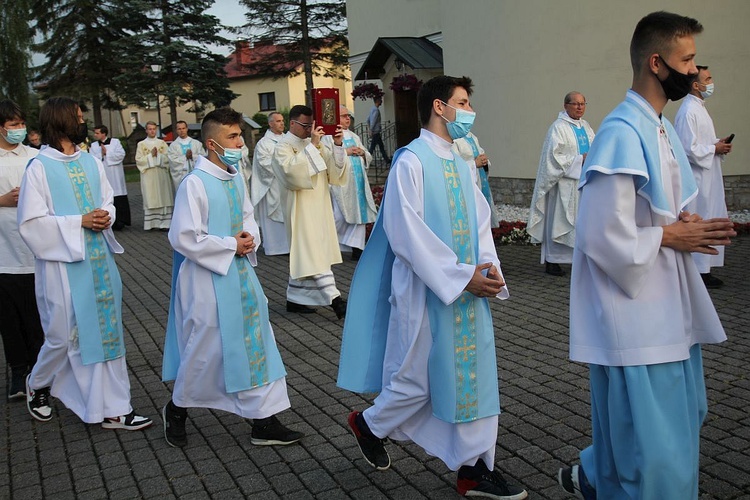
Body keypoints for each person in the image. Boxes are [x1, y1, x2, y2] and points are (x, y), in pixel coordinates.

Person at [558, 12, 736, 500]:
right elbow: (600, 233)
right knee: (654, 454)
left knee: (681, 419)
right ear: (657, 63)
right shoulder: (620, 132)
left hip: (668, 309)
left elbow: (661, 210)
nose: (696, 72)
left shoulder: (657, 127)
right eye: (688, 60)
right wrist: (671, 237)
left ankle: (594, 475)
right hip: (636, 318)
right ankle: (599, 477)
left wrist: (688, 226)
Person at [338, 75, 527, 500]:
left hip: (467, 289)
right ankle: (369, 424)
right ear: (440, 107)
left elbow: (479, 223)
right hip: (425, 292)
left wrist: (489, 269)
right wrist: (461, 276)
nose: (469, 111)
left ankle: (474, 470)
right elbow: (405, 233)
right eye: (462, 102)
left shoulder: (461, 161)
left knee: (472, 378)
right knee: (418, 379)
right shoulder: (411, 160)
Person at [161, 107, 303, 448]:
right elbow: (182, 236)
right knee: (206, 348)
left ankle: (263, 421)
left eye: (240, 136)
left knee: (255, 340)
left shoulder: (235, 176)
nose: (241, 143)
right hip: (205, 278)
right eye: (233, 137)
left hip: (239, 274)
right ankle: (177, 408)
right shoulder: (194, 183)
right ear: (212, 143)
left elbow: (246, 215)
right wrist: (229, 244)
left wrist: (249, 236)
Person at [18, 96, 152, 430]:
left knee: (105, 333)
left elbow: (108, 199)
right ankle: (37, 382)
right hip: (62, 267)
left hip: (99, 262)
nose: (83, 123)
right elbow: (31, 224)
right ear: (61, 121)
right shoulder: (39, 167)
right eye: (78, 117)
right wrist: (78, 221)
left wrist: (108, 215)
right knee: (63, 337)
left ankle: (114, 407)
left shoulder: (92, 161)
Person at [271, 105, 349, 320]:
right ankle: (336, 300)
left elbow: (334, 173)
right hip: (300, 209)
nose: (309, 130)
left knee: (310, 253)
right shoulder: (282, 147)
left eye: (311, 125)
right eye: (305, 126)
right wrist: (313, 145)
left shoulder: (315, 144)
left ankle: (295, 299)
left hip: (320, 207)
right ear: (292, 123)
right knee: (312, 252)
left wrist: (338, 144)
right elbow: (291, 174)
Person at [0, 99, 44, 401]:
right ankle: (18, 372)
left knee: (36, 316)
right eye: (13, 125)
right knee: (9, 318)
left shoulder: (35, 157)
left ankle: (40, 374)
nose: (19, 129)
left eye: (21, 123)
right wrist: (2, 200)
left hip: (35, 251)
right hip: (3, 252)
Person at [675, 65, 733, 289]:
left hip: (708, 176)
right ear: (695, 85)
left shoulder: (699, 108)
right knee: (703, 218)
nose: (711, 82)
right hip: (697, 179)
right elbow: (687, 148)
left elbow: (701, 142)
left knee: (710, 216)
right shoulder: (689, 111)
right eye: (707, 79)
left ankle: (704, 268)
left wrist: (718, 143)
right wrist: (713, 149)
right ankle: (698, 271)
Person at [527, 92, 595, 276]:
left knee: (580, 222)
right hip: (563, 185)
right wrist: (579, 159)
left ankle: (579, 259)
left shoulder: (586, 127)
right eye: (575, 104)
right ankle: (552, 260)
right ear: (566, 106)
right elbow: (553, 158)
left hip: (582, 183)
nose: (580, 107)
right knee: (559, 222)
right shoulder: (558, 128)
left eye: (583, 103)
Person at [324, 105, 377, 260]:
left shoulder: (354, 136)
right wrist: (346, 151)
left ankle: (357, 249)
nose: (348, 119)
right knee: (338, 216)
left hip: (357, 182)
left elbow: (367, 154)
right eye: (344, 116)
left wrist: (362, 153)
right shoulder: (328, 136)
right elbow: (326, 157)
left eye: (348, 116)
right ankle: (327, 245)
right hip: (341, 184)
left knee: (360, 215)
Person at [250, 111, 289, 256]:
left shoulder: (288, 140)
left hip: (287, 185)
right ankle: (275, 247)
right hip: (272, 185)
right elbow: (264, 163)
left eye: (282, 121)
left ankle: (289, 246)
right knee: (274, 217)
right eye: (278, 121)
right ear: (270, 123)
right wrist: (284, 165)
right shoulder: (264, 143)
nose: (281, 123)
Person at [452, 130, 501, 228]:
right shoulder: (453, 139)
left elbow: (480, 153)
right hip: (468, 187)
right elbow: (454, 167)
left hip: (481, 182)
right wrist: (474, 164)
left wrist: (484, 161)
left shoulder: (472, 137)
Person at [90, 125, 131, 230]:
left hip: (115, 175)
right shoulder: (94, 145)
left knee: (118, 197)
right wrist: (101, 155)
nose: (95, 135)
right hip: (103, 174)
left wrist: (107, 153)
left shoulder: (115, 142)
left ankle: (121, 221)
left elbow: (121, 154)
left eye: (97, 133)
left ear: (104, 133)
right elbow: (92, 159)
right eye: (95, 133)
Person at [135, 121, 173, 230]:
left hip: (161, 174)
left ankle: (165, 223)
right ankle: (151, 224)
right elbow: (138, 160)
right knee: (150, 196)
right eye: (150, 129)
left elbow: (168, 158)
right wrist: (151, 156)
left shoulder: (162, 143)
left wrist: (159, 157)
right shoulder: (141, 144)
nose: (152, 131)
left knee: (163, 195)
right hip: (148, 175)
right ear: (146, 130)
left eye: (154, 128)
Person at [168, 120, 205, 190]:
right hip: (181, 176)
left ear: (187, 129)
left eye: (183, 128)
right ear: (176, 130)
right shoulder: (173, 146)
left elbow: (203, 157)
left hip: (195, 174)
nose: (182, 131)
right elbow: (172, 161)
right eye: (179, 129)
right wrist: (185, 157)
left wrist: (192, 157)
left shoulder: (196, 143)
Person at [367, 96, 390, 164]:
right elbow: (373, 121)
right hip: (376, 132)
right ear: (377, 101)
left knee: (381, 146)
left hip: (375, 132)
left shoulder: (372, 109)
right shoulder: (376, 110)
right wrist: (370, 130)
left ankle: (387, 160)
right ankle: (366, 160)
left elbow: (368, 120)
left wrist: (369, 128)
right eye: (380, 100)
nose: (381, 101)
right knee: (372, 148)